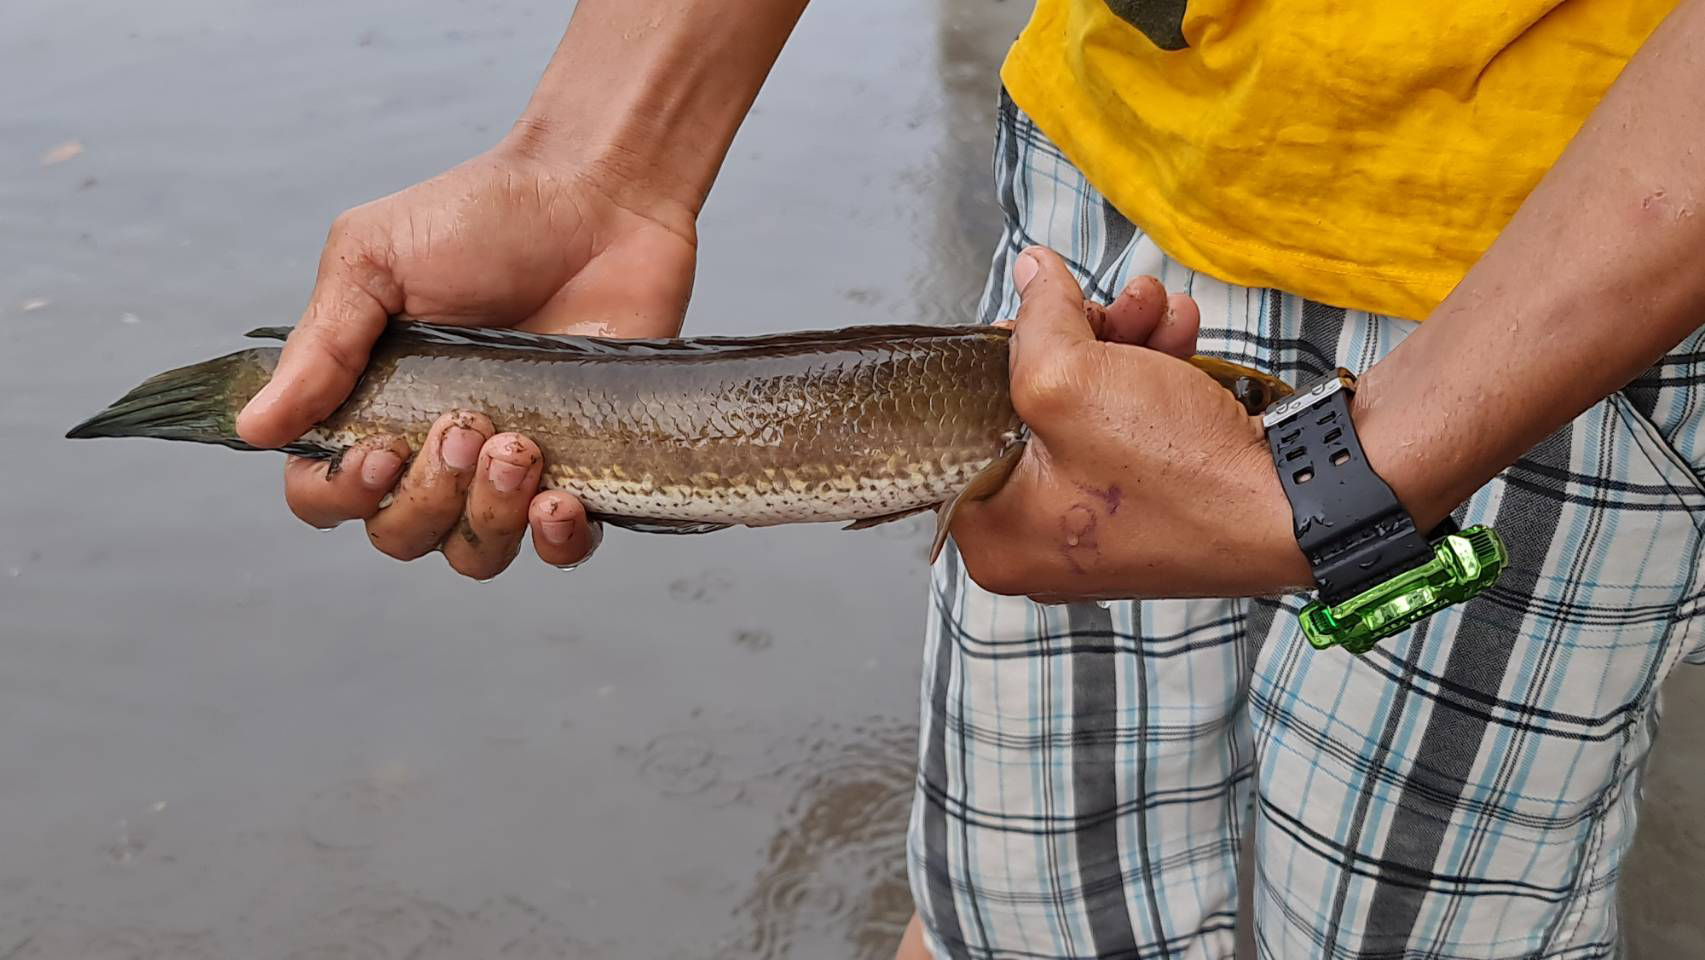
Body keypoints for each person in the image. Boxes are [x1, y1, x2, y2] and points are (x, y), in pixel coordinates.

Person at [233, 0, 1705, 956]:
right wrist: (605, 155)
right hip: (1101, 204)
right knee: (1018, 907)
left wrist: (1361, 475)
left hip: (1576, 275)